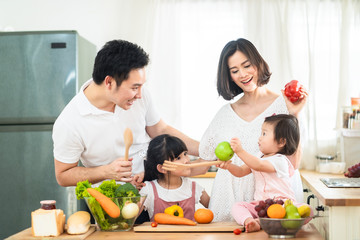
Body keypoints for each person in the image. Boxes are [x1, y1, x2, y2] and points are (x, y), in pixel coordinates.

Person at [52, 39, 205, 188]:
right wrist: (106, 171)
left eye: (140, 86)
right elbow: (63, 175)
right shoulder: (69, 122)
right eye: (134, 88)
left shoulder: (140, 95)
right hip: (113, 204)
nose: (139, 94)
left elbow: (160, 130)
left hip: (153, 189)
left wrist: (207, 149)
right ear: (109, 82)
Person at [199, 38, 308, 222]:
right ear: (229, 76)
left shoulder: (284, 104)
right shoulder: (225, 113)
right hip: (229, 199)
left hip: (274, 202)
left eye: (246, 65)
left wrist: (294, 114)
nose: (242, 74)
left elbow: (294, 163)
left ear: (258, 63)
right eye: (234, 71)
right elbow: (205, 156)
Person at [219, 114, 311, 232]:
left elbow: (259, 165)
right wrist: (228, 166)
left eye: (264, 134)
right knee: (237, 206)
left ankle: (272, 221)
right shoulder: (258, 156)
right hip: (261, 206)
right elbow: (241, 171)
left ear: (281, 141)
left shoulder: (281, 160)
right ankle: (250, 221)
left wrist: (240, 151)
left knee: (307, 210)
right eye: (261, 133)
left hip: (283, 205)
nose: (260, 138)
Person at [139, 134, 210, 221]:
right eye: (178, 158)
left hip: (191, 235)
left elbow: (215, 208)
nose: (187, 160)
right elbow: (131, 217)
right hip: (158, 235)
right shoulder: (148, 190)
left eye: (185, 154)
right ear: (162, 168)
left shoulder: (193, 187)